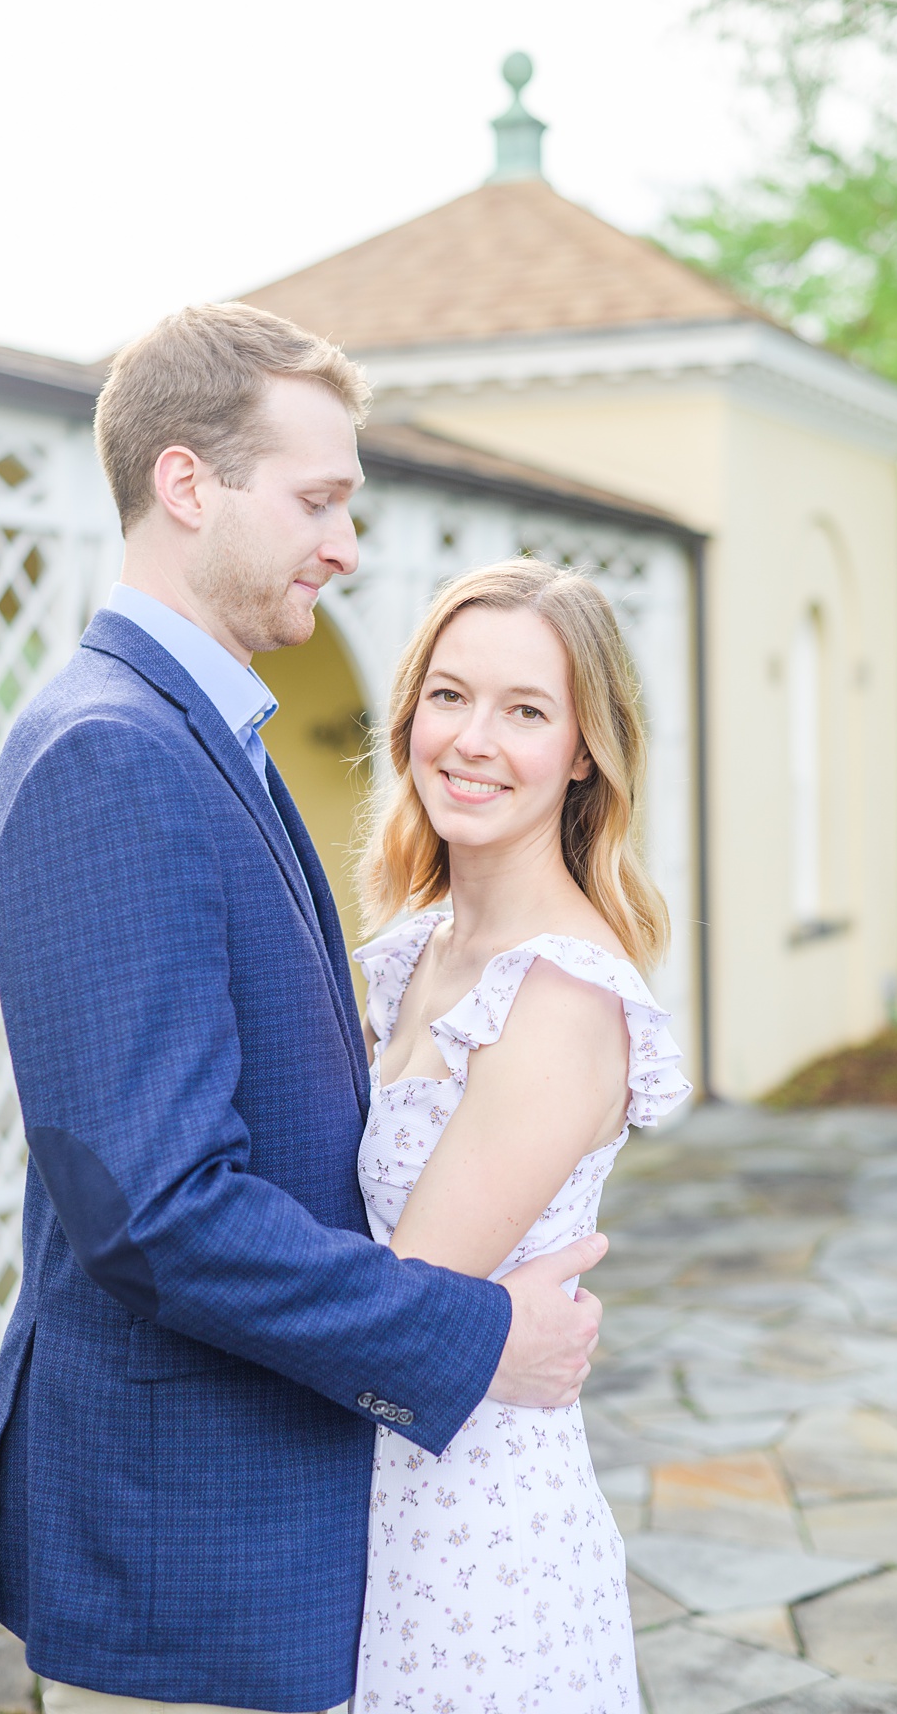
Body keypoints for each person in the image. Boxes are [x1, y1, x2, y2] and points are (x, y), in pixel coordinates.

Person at [0, 305, 610, 1714]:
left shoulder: (202, 737)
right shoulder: (112, 757)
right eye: (320, 500)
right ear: (189, 485)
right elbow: (160, 1208)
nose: (346, 546)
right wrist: (475, 1340)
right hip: (189, 1553)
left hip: (282, 1536)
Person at [349, 558, 689, 1710]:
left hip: (477, 1554)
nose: (472, 739)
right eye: (449, 695)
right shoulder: (412, 952)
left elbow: (394, 1306)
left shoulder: (561, 998)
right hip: (369, 1507)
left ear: (585, 749)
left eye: (526, 710)